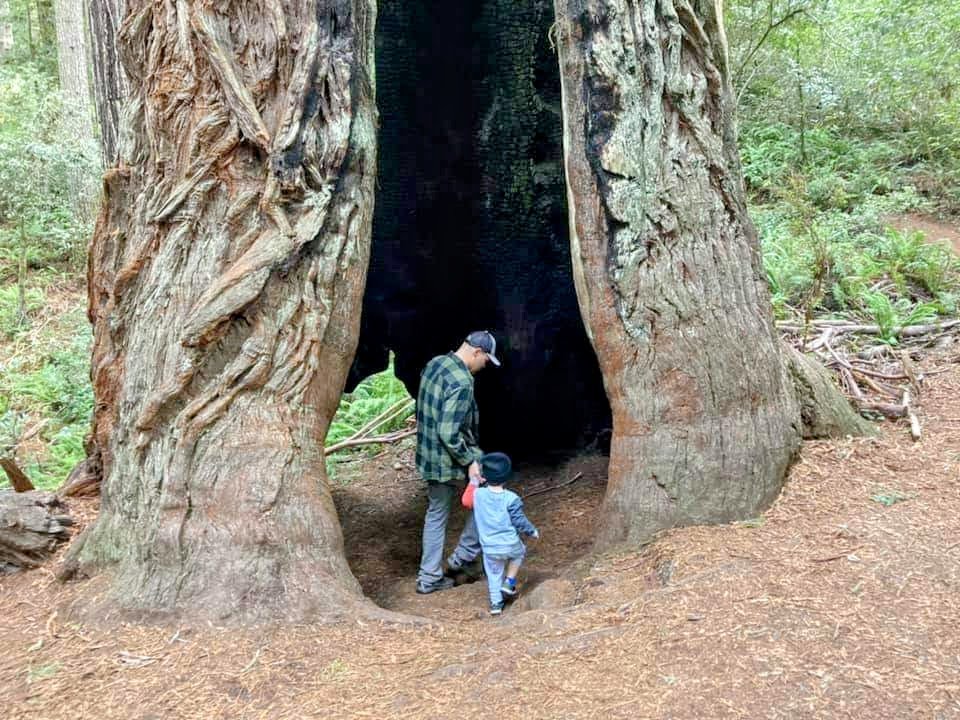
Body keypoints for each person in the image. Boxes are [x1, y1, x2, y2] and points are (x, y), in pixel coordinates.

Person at [415, 330, 501, 594]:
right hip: (447, 457)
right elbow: (448, 431)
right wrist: (469, 461)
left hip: (428, 454)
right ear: (477, 352)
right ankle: (461, 559)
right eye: (486, 360)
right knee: (491, 496)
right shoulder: (462, 382)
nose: (484, 366)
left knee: (436, 513)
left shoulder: (436, 363)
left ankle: (429, 577)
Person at [472, 452, 539, 616]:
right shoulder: (511, 498)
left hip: (489, 547)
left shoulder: (477, 495)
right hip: (510, 544)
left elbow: (466, 500)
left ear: (484, 476)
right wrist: (532, 530)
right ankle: (509, 581)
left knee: (494, 573)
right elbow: (519, 520)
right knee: (519, 553)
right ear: (507, 477)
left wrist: (474, 480)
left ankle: (496, 604)